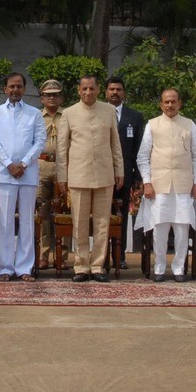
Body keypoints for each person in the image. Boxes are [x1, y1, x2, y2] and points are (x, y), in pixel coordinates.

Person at [56, 75, 124, 282]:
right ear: (78, 90)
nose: (88, 92)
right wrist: (62, 176)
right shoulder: (68, 113)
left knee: (102, 223)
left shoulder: (109, 110)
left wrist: (119, 169)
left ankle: (97, 266)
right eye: (84, 89)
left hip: (105, 174)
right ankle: (81, 266)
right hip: (78, 174)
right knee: (80, 223)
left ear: (98, 90)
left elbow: (115, 143)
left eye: (92, 88)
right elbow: (62, 148)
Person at [136, 88, 196, 282]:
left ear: (180, 103)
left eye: (173, 102)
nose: (170, 105)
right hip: (159, 185)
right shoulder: (152, 125)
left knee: (182, 228)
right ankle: (159, 267)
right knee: (160, 228)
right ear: (161, 104)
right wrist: (147, 182)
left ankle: (179, 268)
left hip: (183, 185)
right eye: (166, 102)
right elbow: (142, 156)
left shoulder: (189, 125)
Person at [0, 73, 46, 281]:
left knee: (27, 222)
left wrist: (23, 164)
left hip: (27, 174)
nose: (15, 90)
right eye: (11, 86)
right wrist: (10, 165)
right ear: (5, 89)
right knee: (4, 222)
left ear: (24, 88)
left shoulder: (35, 114)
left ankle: (24, 268)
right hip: (4, 174)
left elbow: (39, 142)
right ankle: (5, 268)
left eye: (19, 86)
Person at [107, 76, 145, 261]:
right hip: (102, 174)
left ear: (124, 93)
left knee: (121, 216)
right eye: (112, 89)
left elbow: (139, 147)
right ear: (106, 92)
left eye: (119, 89)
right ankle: (103, 256)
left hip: (126, 174)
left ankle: (119, 256)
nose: (115, 92)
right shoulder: (100, 113)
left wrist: (138, 174)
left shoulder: (135, 117)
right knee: (103, 215)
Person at [35, 79, 64, 269]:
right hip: (41, 166)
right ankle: (43, 254)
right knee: (42, 212)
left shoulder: (68, 116)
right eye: (48, 95)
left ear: (61, 97)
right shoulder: (36, 116)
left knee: (65, 211)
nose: (52, 98)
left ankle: (63, 255)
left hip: (63, 166)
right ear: (42, 98)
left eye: (55, 94)